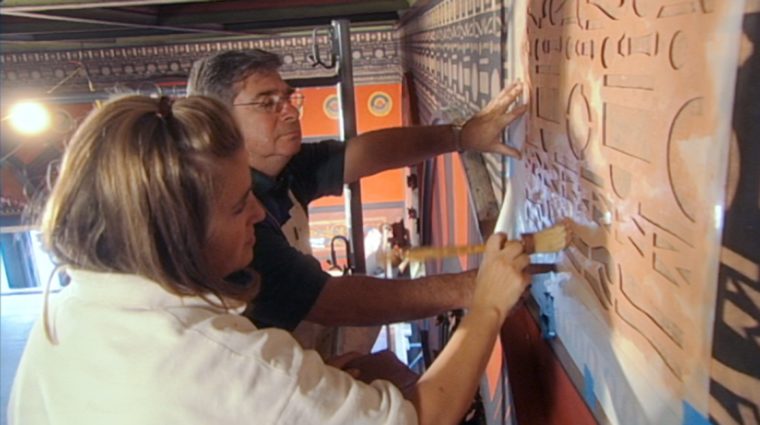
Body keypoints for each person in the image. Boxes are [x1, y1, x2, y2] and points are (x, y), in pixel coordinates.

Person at [8, 94, 531, 425]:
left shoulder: (73, 305)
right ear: (177, 235)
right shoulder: (219, 362)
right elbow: (428, 416)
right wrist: (483, 304)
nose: (258, 213)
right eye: (239, 206)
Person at [187, 50, 529, 356]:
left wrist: (462, 135)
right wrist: (473, 288)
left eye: (288, 98)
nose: (290, 111)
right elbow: (332, 302)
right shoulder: (230, 222)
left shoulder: (281, 168)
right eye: (267, 103)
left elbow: (362, 153)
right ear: (220, 121)